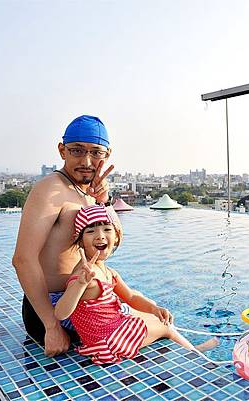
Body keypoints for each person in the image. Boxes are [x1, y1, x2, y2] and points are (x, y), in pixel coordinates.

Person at [55, 204, 218, 364]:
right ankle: (195, 354)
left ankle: (184, 343)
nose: (100, 236)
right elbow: (61, 313)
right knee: (165, 326)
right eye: (91, 231)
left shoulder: (108, 271)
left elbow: (131, 297)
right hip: (107, 341)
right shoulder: (84, 275)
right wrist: (80, 284)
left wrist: (154, 309)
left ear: (116, 236)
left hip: (105, 332)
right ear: (81, 242)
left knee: (152, 311)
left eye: (107, 229)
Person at [13, 115, 121, 356]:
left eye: (96, 153)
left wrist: (104, 202)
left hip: (82, 303)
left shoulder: (89, 194)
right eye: (77, 151)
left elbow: (112, 246)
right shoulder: (50, 189)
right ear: (62, 151)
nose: (87, 161)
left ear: (107, 155)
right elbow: (23, 259)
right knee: (145, 327)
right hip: (51, 311)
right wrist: (51, 326)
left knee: (151, 315)